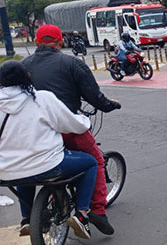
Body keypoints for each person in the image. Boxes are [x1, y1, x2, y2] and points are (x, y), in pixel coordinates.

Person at [22, 25, 121, 235]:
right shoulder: (72, 63)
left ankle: (27, 218)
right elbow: (94, 96)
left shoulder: (23, 65)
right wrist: (111, 105)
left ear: (37, 43)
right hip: (68, 127)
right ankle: (94, 212)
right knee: (95, 160)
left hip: (35, 131)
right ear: (59, 43)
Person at [0, 61, 97, 239]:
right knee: (90, 162)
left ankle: (26, 219)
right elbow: (71, 124)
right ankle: (82, 215)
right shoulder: (42, 98)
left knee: (23, 174)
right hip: (48, 164)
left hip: (6, 171)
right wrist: (84, 121)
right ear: (27, 77)